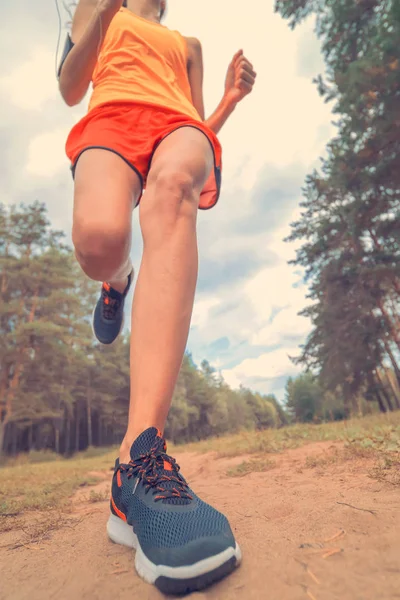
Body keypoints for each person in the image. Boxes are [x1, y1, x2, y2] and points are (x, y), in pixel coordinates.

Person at [58, 0, 256, 593]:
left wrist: (228, 101)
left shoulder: (188, 45)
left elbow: (196, 125)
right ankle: (115, 280)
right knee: (100, 238)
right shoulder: (98, 9)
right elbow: (71, 87)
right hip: (111, 120)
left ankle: (139, 462)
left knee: (173, 187)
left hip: (177, 129)